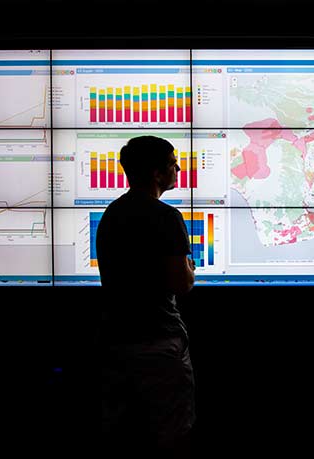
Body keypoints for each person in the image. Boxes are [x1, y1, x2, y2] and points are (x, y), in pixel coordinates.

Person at [95, 135, 196, 458]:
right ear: (156, 173)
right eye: (172, 163)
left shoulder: (112, 214)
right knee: (170, 435)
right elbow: (182, 284)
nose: (178, 168)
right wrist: (190, 267)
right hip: (159, 343)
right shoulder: (166, 217)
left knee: (125, 436)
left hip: (116, 341)